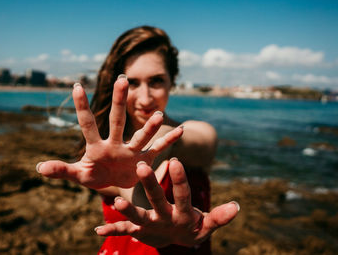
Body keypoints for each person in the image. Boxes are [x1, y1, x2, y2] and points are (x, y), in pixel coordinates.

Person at [36, 26, 239, 254]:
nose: (145, 98)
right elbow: (132, 192)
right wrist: (158, 225)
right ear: (116, 85)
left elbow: (197, 139)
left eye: (156, 81)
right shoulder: (105, 155)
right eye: (132, 82)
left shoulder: (194, 133)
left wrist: (159, 138)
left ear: (172, 81)